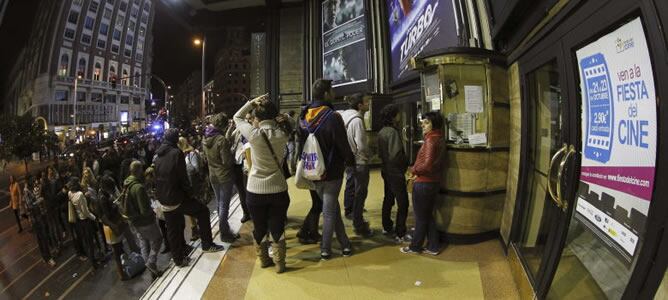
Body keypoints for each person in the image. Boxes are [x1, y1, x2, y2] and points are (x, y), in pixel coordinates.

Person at [298, 79, 355, 260]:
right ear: (325, 94)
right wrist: (350, 161)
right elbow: (342, 144)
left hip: (312, 170)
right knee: (329, 211)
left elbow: (300, 144)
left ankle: (345, 244)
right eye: (332, 90)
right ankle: (325, 249)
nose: (334, 93)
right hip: (331, 171)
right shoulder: (332, 116)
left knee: (332, 207)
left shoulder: (303, 116)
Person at [234, 94, 290, 273]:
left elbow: (237, 117)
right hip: (279, 189)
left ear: (258, 118)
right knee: (277, 226)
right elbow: (290, 123)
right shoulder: (283, 134)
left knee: (259, 227)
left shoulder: (254, 134)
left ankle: (264, 260)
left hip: (255, 191)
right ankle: (280, 263)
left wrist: (251, 103)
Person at [154, 128, 224, 268]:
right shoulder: (176, 153)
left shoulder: (158, 155)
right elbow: (183, 177)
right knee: (203, 211)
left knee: (173, 229)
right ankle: (207, 244)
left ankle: (179, 259)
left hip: (163, 198)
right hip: (176, 197)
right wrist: (190, 193)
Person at [400, 112, 446, 255]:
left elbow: (427, 165)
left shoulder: (431, 140)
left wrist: (413, 169)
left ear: (434, 124)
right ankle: (433, 246)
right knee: (427, 215)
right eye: (422, 123)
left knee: (420, 217)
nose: (422, 126)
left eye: (426, 123)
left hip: (424, 183)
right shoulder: (439, 138)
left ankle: (415, 247)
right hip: (433, 182)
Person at [340, 93, 373, 237]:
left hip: (349, 159)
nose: (369, 104)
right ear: (360, 105)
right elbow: (361, 145)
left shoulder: (344, 116)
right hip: (359, 161)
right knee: (361, 193)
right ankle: (359, 225)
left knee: (351, 185)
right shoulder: (357, 120)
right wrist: (369, 154)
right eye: (367, 102)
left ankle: (350, 212)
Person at [124, 161, 164, 278]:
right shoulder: (138, 187)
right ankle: (151, 262)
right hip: (145, 222)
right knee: (157, 239)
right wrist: (152, 211)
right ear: (138, 170)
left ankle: (152, 270)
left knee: (144, 244)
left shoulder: (126, 183)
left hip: (134, 221)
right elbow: (144, 210)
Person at [202, 116, 239, 243]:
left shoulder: (205, 138)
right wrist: (232, 151)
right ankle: (224, 233)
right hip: (224, 176)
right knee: (224, 206)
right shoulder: (221, 140)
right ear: (222, 125)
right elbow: (227, 161)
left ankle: (225, 229)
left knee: (219, 203)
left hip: (213, 175)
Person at [378, 104, 411, 243]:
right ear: (393, 116)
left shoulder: (381, 132)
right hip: (395, 172)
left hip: (385, 170)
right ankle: (400, 232)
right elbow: (396, 154)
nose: (399, 116)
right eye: (397, 114)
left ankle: (386, 226)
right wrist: (406, 164)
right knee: (403, 202)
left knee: (388, 199)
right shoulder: (392, 132)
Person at [67, 177, 101, 268]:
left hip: (78, 221)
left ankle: (92, 259)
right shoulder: (80, 194)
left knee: (86, 241)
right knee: (90, 242)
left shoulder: (70, 193)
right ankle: (94, 262)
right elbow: (85, 211)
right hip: (86, 220)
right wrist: (94, 218)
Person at [24, 176, 57, 267]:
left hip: (39, 216)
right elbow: (30, 206)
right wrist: (39, 201)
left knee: (42, 238)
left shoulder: (31, 189)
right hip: (36, 219)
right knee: (42, 238)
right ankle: (48, 258)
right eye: (32, 180)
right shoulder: (26, 191)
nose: (34, 181)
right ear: (28, 181)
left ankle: (46, 256)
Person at [178, 137, 205, 242]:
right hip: (187, 186)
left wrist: (185, 169)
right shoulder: (180, 155)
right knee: (189, 209)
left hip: (194, 185)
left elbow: (196, 168)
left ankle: (201, 228)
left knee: (198, 206)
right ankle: (194, 229)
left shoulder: (191, 153)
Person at [228, 120, 251, 223]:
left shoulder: (253, 132)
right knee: (241, 191)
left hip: (249, 164)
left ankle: (253, 212)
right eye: (245, 119)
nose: (247, 121)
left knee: (249, 190)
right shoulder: (237, 130)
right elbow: (228, 138)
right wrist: (231, 127)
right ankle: (246, 213)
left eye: (249, 119)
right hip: (237, 164)